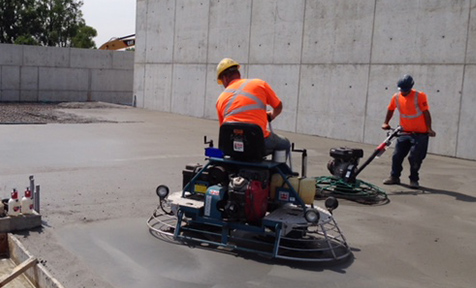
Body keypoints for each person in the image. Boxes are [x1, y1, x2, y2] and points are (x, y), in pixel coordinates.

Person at [215, 58, 290, 154]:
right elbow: (278, 106)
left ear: (225, 79)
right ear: (239, 74)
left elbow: (225, 130)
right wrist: (271, 115)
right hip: (258, 144)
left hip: (233, 146)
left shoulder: (220, 99)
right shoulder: (259, 84)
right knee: (284, 144)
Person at [382, 74, 436, 189]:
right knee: (397, 155)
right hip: (404, 132)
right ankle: (394, 177)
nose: (403, 92)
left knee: (415, 157)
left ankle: (414, 179)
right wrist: (386, 122)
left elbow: (426, 112)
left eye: (405, 90)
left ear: (410, 87)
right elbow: (390, 109)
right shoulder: (396, 97)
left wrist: (429, 129)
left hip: (420, 134)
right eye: (401, 89)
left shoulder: (420, 96)